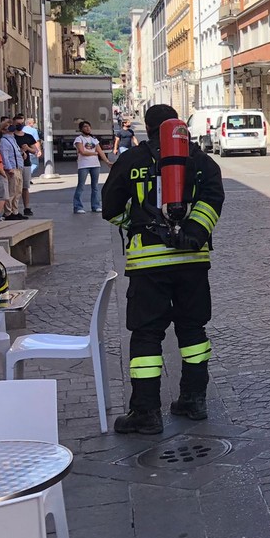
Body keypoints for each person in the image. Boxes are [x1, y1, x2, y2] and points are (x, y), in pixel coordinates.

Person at [103, 104, 225, 434]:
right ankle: (194, 400)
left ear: (149, 127)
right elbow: (214, 200)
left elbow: (109, 208)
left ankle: (145, 413)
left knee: (146, 336)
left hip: (147, 266)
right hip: (193, 263)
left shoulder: (130, 161)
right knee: (193, 332)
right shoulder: (201, 162)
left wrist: (140, 225)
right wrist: (191, 235)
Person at [73, 120, 108, 214]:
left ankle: (96, 206)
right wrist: (94, 153)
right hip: (83, 165)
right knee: (81, 186)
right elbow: (82, 151)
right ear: (81, 129)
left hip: (95, 165)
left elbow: (100, 151)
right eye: (85, 127)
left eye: (89, 126)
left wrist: (107, 162)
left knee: (95, 186)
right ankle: (77, 206)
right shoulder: (79, 139)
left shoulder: (94, 140)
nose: (87, 128)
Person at [14, 122, 38, 217]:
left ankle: (26, 207)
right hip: (15, 165)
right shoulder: (12, 137)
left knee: (25, 187)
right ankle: (14, 209)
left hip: (26, 164)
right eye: (17, 122)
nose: (19, 125)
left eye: (21, 122)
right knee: (15, 188)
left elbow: (34, 151)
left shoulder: (28, 136)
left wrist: (27, 148)